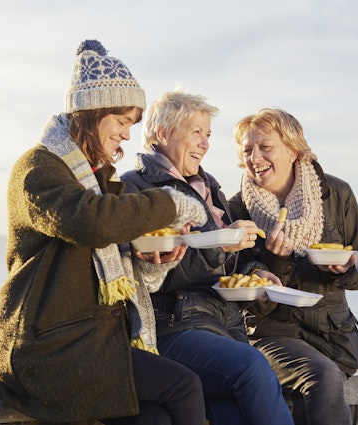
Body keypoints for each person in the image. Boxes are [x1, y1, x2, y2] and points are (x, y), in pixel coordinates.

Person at [0, 40, 208, 425]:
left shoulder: (95, 179)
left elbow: (120, 264)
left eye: (131, 124)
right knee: (184, 386)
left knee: (154, 418)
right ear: (92, 113)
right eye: (121, 121)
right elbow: (92, 222)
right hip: (46, 348)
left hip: (92, 343)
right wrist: (170, 202)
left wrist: (154, 264)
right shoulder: (38, 169)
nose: (126, 134)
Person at [121, 90, 294, 425]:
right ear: (163, 134)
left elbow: (232, 260)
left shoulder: (209, 189)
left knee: (231, 414)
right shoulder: (136, 190)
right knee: (253, 367)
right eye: (196, 133)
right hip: (172, 326)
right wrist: (219, 248)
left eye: (208, 135)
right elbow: (150, 273)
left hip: (221, 326)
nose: (205, 144)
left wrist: (257, 273)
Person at [228, 108, 358, 425]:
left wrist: (347, 268)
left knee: (326, 373)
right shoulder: (237, 207)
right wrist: (275, 264)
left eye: (265, 147)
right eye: (247, 150)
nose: (254, 158)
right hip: (270, 336)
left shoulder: (336, 195)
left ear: (294, 149)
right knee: (322, 376)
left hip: (334, 338)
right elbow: (240, 293)